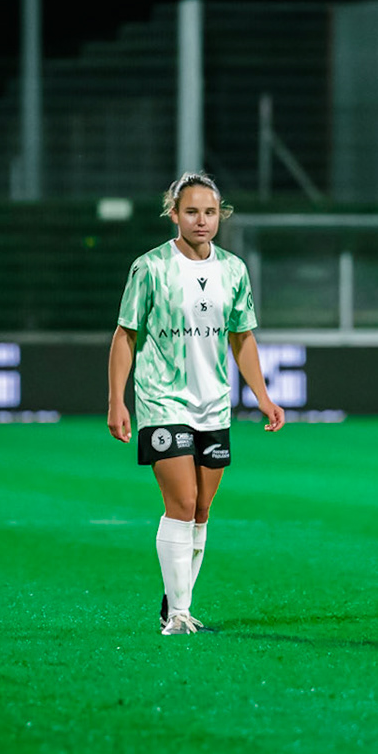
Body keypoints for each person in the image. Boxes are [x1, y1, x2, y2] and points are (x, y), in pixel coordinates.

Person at [107, 171, 286, 635]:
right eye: (191, 212)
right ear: (174, 214)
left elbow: (242, 337)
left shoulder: (233, 270)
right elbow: (126, 334)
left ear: (220, 215)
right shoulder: (150, 268)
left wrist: (264, 398)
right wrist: (116, 400)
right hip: (163, 399)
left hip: (213, 403)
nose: (201, 220)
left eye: (209, 212)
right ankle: (179, 615)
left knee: (202, 509)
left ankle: (175, 601)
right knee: (182, 502)